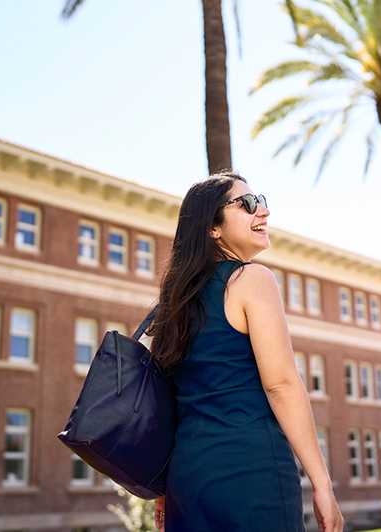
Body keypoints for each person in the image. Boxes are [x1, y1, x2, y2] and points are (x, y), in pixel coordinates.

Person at [148, 172, 343, 532]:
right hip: (251, 473)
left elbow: (167, 402)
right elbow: (281, 385)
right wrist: (322, 484)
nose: (263, 212)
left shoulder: (175, 302)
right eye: (248, 204)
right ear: (213, 228)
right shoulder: (251, 279)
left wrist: (163, 489)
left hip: (187, 479)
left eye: (263, 202)